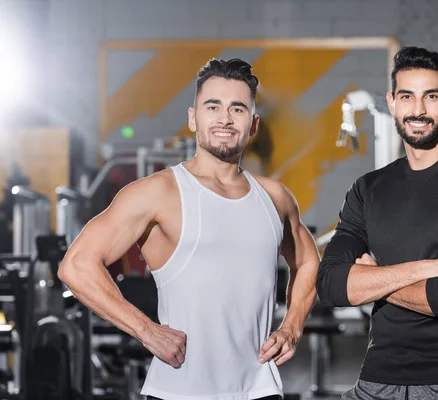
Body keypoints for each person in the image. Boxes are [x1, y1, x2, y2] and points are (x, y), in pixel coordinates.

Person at [58, 58, 320, 400]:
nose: (225, 118)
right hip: (179, 390)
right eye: (213, 106)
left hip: (260, 390)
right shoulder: (157, 192)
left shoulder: (275, 197)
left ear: (253, 124)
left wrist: (292, 328)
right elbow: (76, 266)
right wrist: (147, 331)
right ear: (193, 118)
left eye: (237, 109)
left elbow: (309, 262)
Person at [316, 46, 438, 400]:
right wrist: (427, 269)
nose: (417, 110)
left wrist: (373, 278)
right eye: (407, 96)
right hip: (377, 378)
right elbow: (329, 285)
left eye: (430, 96)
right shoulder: (367, 189)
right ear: (391, 102)